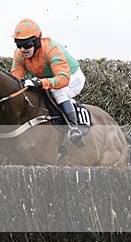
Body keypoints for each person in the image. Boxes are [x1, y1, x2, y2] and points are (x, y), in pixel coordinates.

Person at [11, 18, 85, 146]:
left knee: (56, 90)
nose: (23, 49)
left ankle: (74, 128)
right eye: (19, 45)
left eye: (27, 45)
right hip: (51, 79)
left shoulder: (51, 49)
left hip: (72, 78)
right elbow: (15, 82)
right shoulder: (19, 55)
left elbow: (63, 79)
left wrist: (40, 83)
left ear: (37, 42)